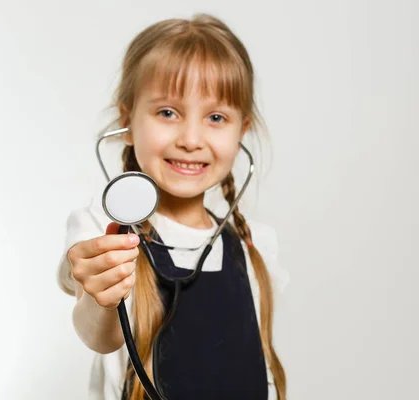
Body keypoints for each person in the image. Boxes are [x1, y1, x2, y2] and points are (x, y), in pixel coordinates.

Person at [57, 13, 289, 400]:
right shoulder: (102, 229)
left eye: (216, 117)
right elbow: (98, 335)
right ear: (127, 120)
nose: (191, 139)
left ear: (241, 130)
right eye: (168, 112)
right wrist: (102, 294)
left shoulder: (256, 246)